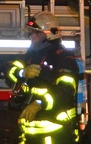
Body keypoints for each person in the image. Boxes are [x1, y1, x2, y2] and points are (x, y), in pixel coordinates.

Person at [11, 11, 81, 144]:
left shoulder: (64, 58)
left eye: (35, 33)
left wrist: (39, 103)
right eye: (31, 33)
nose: (31, 37)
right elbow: (9, 69)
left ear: (47, 35)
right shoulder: (31, 55)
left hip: (56, 132)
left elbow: (65, 91)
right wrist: (22, 73)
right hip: (31, 133)